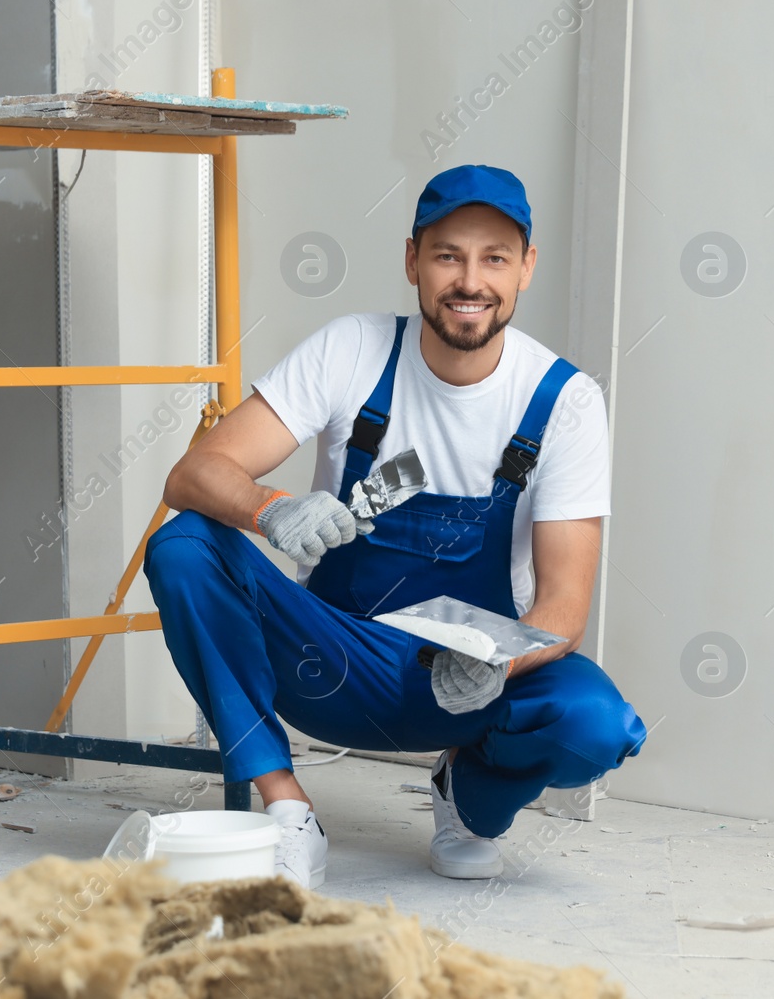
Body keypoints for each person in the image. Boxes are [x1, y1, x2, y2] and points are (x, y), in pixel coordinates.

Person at [143, 164, 646, 888]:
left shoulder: (563, 400)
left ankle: (468, 801)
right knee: (184, 545)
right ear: (412, 258)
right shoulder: (353, 350)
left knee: (596, 722)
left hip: (468, 686)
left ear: (526, 268)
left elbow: (565, 608)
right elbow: (192, 474)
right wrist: (270, 507)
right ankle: (287, 810)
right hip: (333, 663)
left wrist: (497, 663)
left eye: (494, 258)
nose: (470, 280)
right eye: (448, 255)